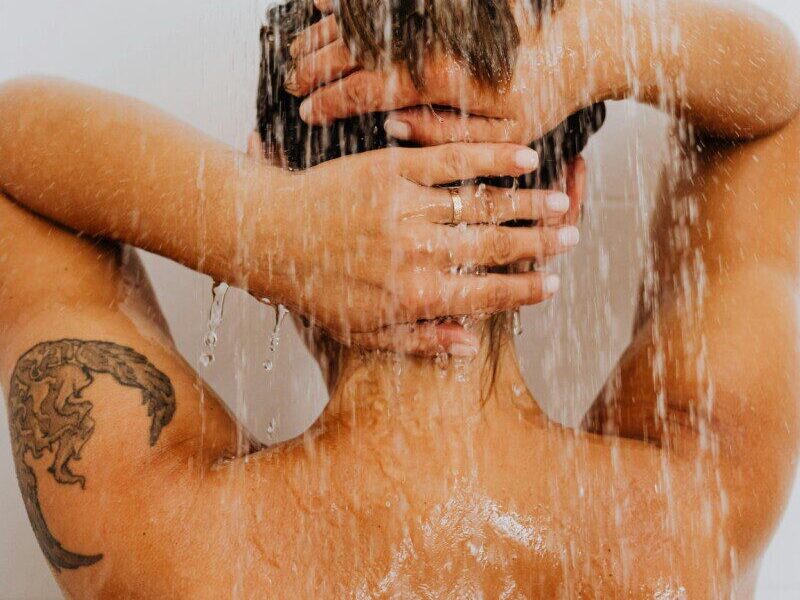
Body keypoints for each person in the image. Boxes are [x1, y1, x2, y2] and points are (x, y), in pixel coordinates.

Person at [0, 0, 798, 597]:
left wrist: (257, 224)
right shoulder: (688, 516)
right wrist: (604, 43)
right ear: (569, 193)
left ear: (270, 165)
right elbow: (778, 111)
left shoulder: (171, 541)